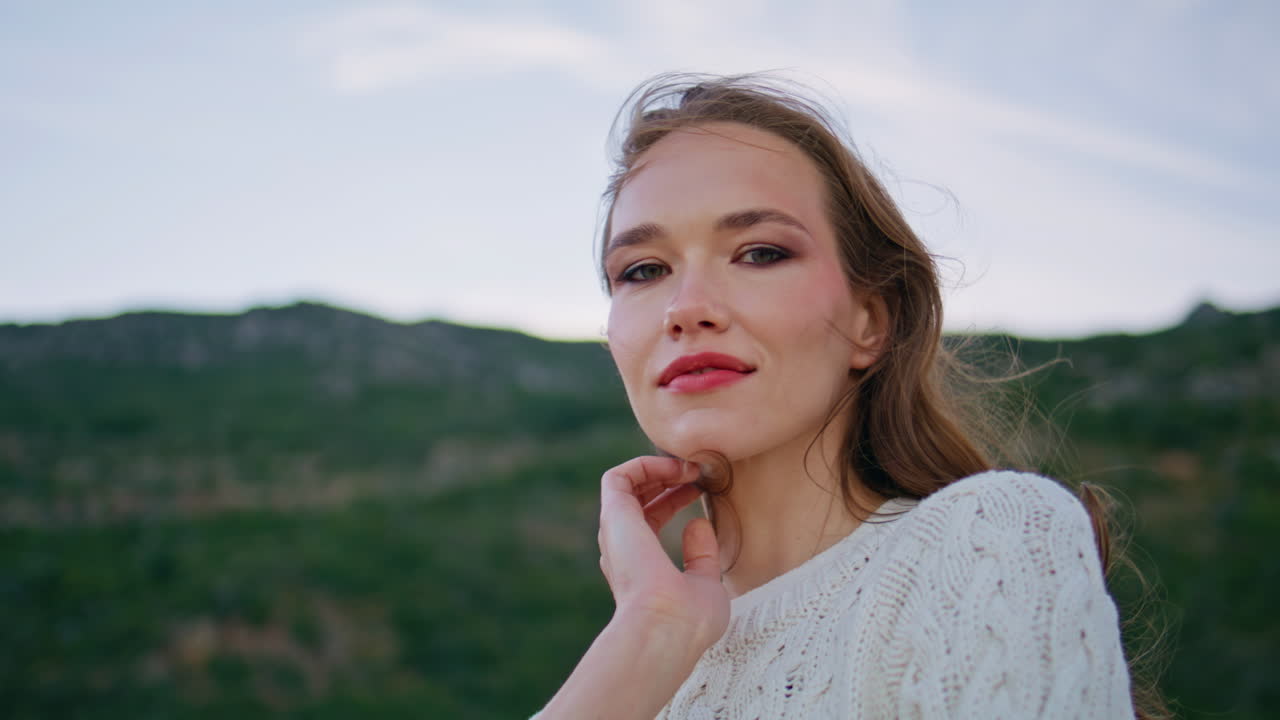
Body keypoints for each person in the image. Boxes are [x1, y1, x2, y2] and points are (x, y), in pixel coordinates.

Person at [530, 73, 1141, 719]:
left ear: (869, 322)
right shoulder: (643, 665)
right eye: (644, 270)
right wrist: (649, 631)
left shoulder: (986, 541)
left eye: (759, 253)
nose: (686, 309)